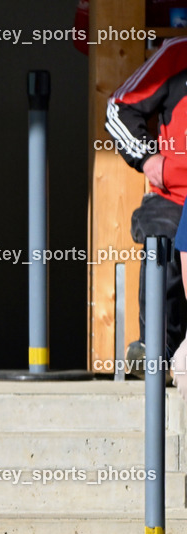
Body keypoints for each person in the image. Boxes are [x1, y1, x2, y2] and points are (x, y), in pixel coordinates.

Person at [106, 35, 187, 377]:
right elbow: (118, 107)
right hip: (174, 194)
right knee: (160, 235)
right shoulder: (177, 53)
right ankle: (158, 350)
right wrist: (147, 158)